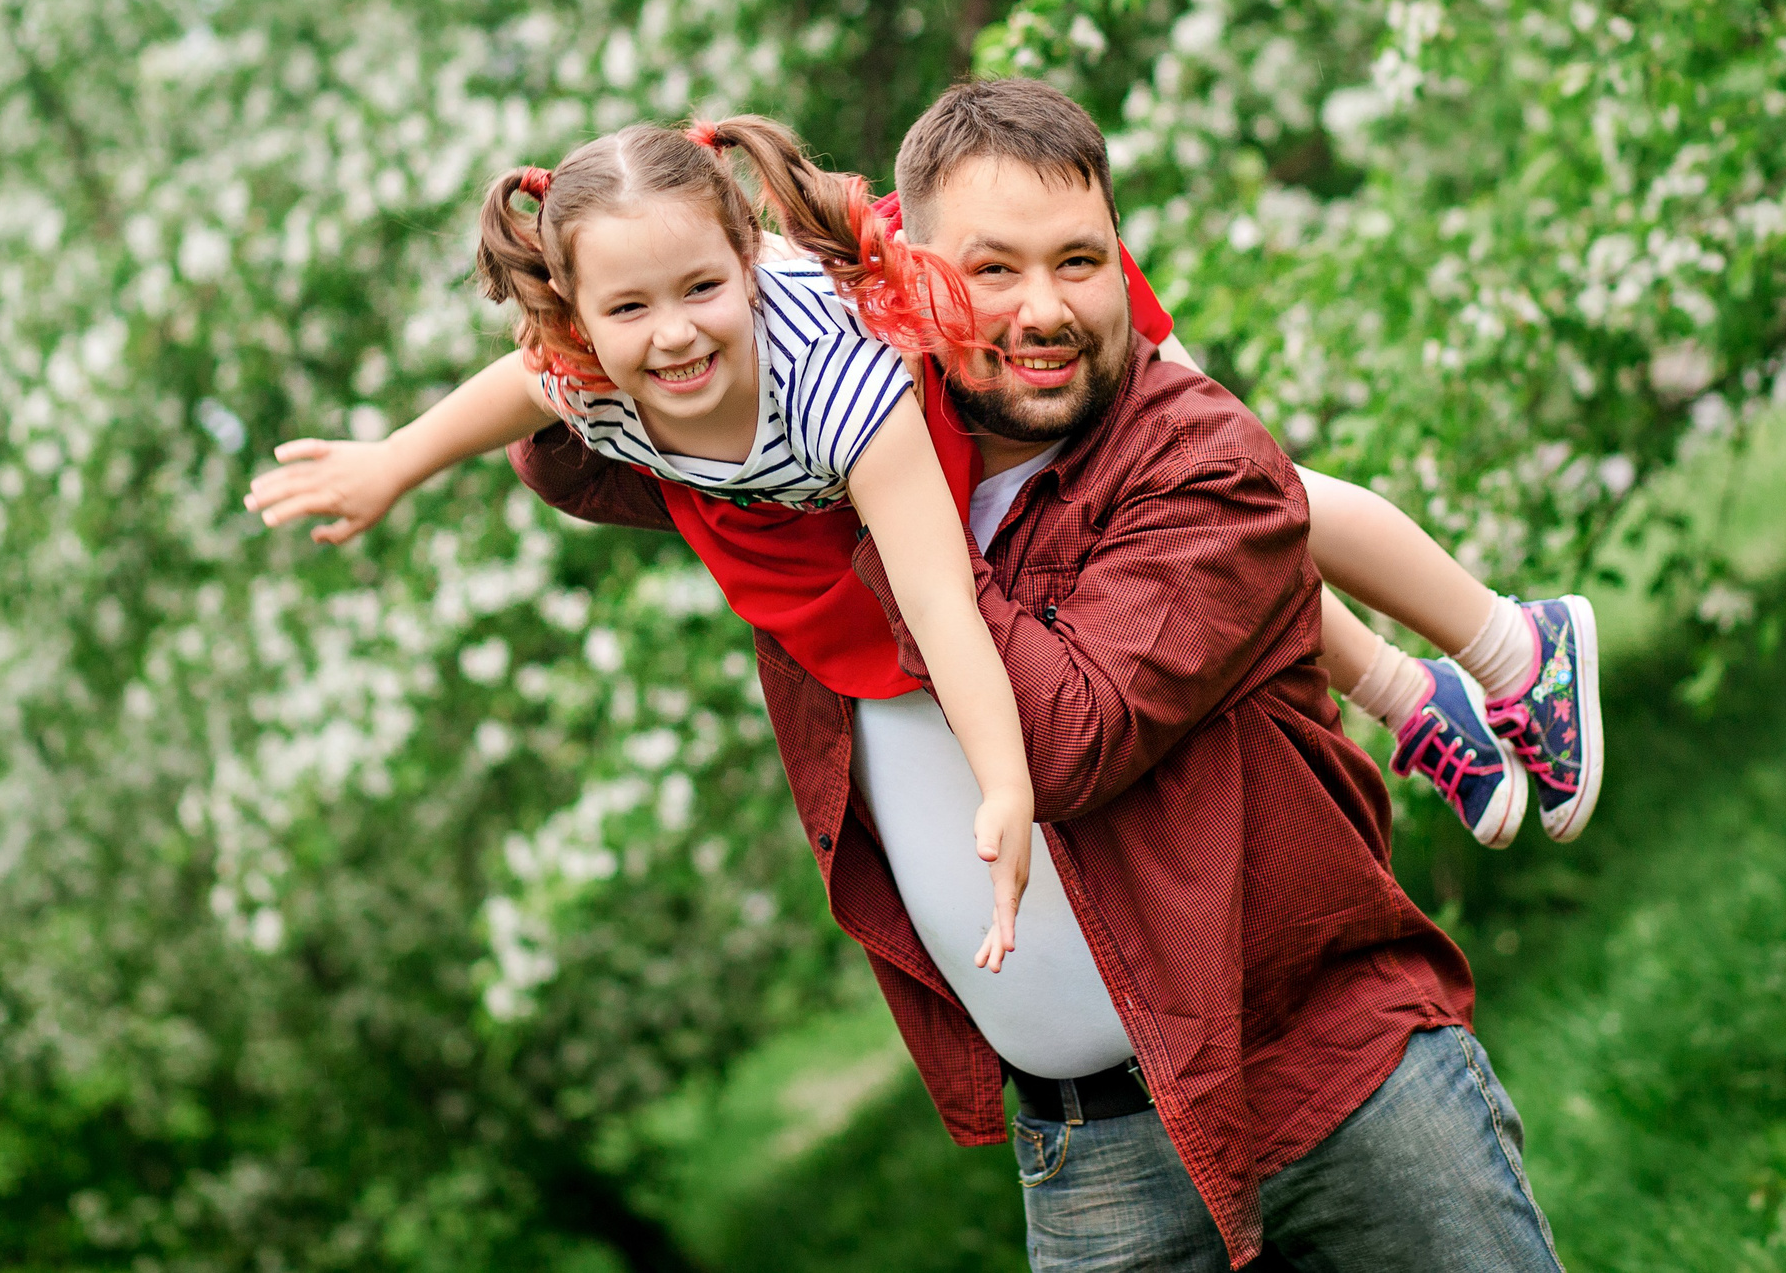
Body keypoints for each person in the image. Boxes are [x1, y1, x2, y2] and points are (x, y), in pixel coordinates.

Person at [503, 78, 1564, 1270]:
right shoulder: (797, 459)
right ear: (899, 287)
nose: (1040, 310)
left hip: (1334, 1081)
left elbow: (1065, 739)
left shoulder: (1184, 463)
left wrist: (869, 473)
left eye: (1080, 263)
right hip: (1088, 1151)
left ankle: (1479, 666)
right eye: (990, 272)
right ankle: (1441, 688)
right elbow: (561, 447)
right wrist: (641, 297)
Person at [246, 115, 1036, 971]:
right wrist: (392, 463)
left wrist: (1002, 778)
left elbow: (938, 598)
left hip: (925, 407)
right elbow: (520, 384)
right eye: (628, 307)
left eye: (701, 288)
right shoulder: (584, 375)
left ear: (745, 265)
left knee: (979, 312)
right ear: (578, 320)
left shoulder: (835, 383)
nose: (673, 333)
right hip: (763, 482)